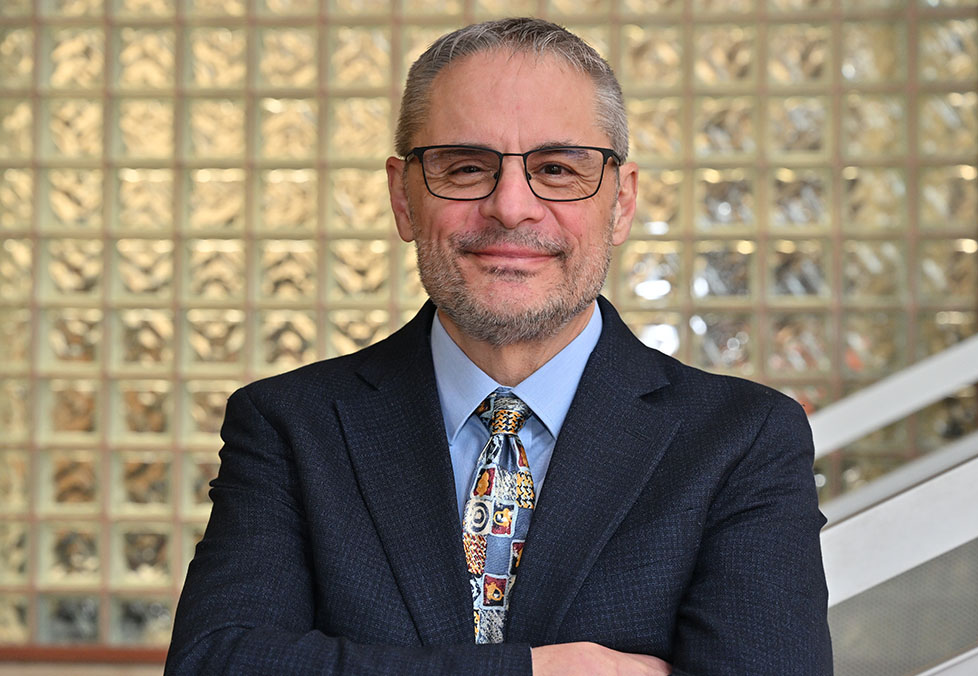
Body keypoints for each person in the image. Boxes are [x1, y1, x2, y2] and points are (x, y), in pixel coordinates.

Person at [166, 17, 832, 675]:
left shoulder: (743, 438)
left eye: (557, 168)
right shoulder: (290, 424)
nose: (512, 206)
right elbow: (216, 664)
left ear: (622, 203)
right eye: (464, 168)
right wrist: (537, 673)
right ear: (403, 198)